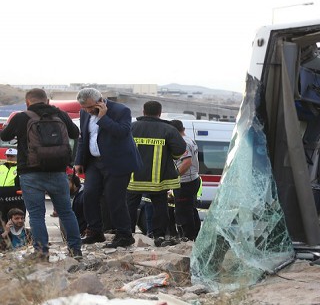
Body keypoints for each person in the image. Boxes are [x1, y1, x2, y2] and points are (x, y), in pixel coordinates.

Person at [0, 88, 82, 260]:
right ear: (47, 101)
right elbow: (75, 134)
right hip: (58, 171)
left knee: (36, 214)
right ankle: (75, 250)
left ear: (27, 102)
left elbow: (5, 135)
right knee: (66, 212)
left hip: (30, 173)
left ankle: (41, 253)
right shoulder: (61, 115)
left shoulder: (22, 117)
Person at [74, 88, 142, 248]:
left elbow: (123, 132)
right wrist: (79, 160)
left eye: (90, 108)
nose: (87, 111)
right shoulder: (85, 113)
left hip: (117, 162)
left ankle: (124, 234)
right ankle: (95, 231)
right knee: (88, 194)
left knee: (114, 199)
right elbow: (83, 138)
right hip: (93, 162)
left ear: (100, 101)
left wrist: (103, 118)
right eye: (84, 108)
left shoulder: (121, 110)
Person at [127, 101, 186, 247]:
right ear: (160, 113)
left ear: (143, 111)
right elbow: (180, 149)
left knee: (130, 205)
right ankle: (158, 236)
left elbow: (119, 148)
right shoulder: (168, 129)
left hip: (134, 178)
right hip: (158, 180)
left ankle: (127, 234)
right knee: (160, 207)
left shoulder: (131, 127)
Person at [170, 119, 201, 240]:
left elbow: (186, 162)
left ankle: (187, 237)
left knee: (183, 211)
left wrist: (175, 176)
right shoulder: (189, 139)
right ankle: (194, 236)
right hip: (193, 179)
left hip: (186, 181)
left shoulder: (182, 142)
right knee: (191, 209)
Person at [0, 148, 25, 223]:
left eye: (12, 156)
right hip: (1, 197)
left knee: (16, 220)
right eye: (8, 156)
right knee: (2, 220)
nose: (9, 158)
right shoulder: (1, 167)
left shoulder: (20, 168)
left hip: (15, 197)